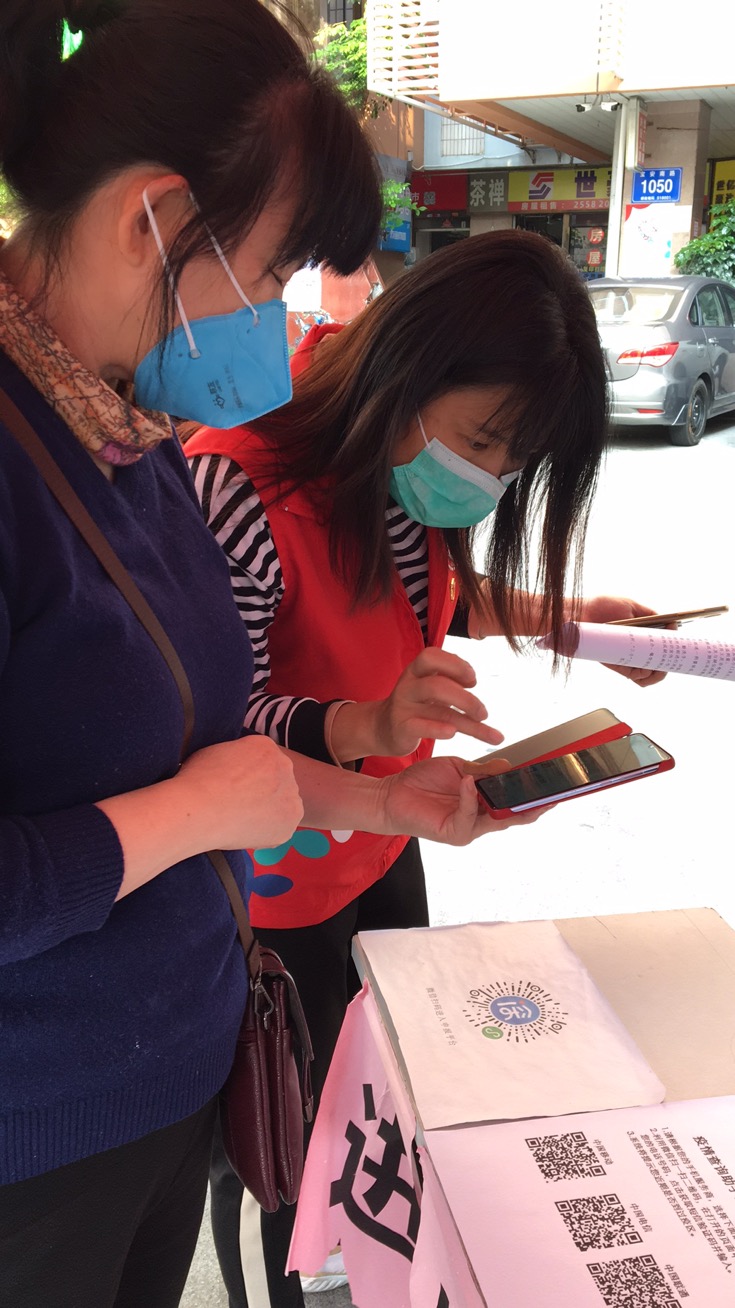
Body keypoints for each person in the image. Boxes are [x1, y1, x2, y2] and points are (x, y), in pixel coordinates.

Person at [0, 7, 546, 1308]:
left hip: (167, 1079)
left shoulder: (125, 434)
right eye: (269, 269)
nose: (281, 314)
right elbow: (199, 796)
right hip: (38, 1140)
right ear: (153, 219)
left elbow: (220, 752)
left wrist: (383, 799)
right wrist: (182, 819)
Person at [186, 229, 666, 1306]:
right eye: (486, 439)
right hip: (271, 894)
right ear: (410, 372)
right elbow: (215, 725)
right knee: (284, 1148)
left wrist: (577, 621)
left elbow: (431, 596)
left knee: (381, 1096)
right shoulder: (236, 486)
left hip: (380, 843)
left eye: (515, 459)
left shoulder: (395, 472)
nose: (491, 476)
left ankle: (357, 1257)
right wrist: (360, 723)